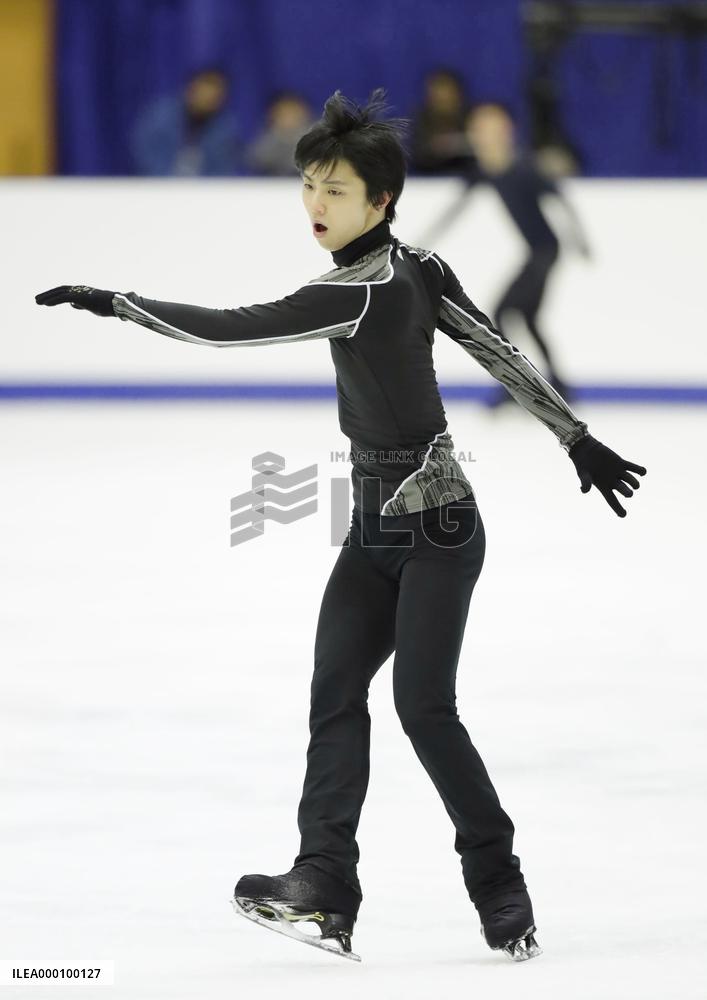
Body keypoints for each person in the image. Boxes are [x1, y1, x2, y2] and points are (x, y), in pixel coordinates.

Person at [35, 88, 646, 964]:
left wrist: (119, 301)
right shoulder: (409, 268)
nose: (316, 205)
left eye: (335, 191)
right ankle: (324, 885)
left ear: (380, 202)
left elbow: (235, 332)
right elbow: (496, 351)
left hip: (439, 528)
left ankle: (498, 883)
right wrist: (573, 434)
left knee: (423, 708)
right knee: (333, 695)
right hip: (371, 533)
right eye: (310, 185)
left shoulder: (373, 287)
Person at [419, 101, 591, 406]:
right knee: (528, 317)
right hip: (537, 252)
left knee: (501, 312)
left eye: (491, 128)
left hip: (546, 251)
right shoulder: (486, 171)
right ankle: (558, 384)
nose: (485, 134)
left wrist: (580, 241)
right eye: (479, 128)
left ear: (507, 132)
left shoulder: (524, 167)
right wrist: (426, 239)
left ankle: (516, 386)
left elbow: (561, 200)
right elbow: (457, 208)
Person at [130, 67, 242, 177]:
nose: (206, 100)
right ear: (190, 90)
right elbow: (146, 155)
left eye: (214, 97)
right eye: (202, 93)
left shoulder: (224, 128)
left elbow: (222, 168)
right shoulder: (161, 117)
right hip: (158, 186)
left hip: (203, 191)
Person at [409, 68, 475, 175]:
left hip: (467, 177)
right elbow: (417, 155)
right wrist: (435, 149)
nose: (443, 99)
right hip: (431, 180)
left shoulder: (471, 118)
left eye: (447, 93)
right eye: (439, 95)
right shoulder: (422, 119)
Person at [245, 91, 314, 176]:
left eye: (293, 112)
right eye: (284, 114)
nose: (289, 118)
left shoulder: (319, 141)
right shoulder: (267, 141)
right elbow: (256, 159)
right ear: (273, 115)